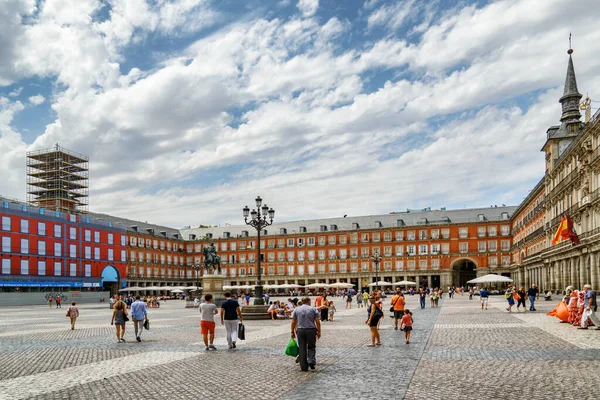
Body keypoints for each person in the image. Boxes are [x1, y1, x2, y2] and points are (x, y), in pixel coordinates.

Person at [291, 297, 321, 371]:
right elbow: (317, 321)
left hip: (300, 330)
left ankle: (304, 366)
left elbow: (293, 321)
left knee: (302, 347)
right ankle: (311, 361)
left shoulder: (296, 309)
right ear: (309, 301)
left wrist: (292, 332)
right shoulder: (313, 309)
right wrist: (319, 331)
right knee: (311, 346)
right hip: (311, 330)